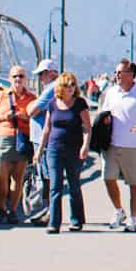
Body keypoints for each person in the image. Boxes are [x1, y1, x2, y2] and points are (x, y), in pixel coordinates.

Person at [98, 59, 136, 231]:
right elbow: (104, 112)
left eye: (120, 72)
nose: (116, 75)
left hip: (134, 145)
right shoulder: (111, 92)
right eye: (116, 72)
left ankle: (132, 218)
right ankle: (118, 210)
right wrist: (105, 120)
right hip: (112, 144)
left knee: (134, 183)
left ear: (131, 75)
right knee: (108, 178)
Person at [38, 71, 92, 233]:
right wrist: (40, 149)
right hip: (54, 149)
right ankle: (54, 223)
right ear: (61, 87)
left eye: (73, 85)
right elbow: (47, 128)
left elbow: (87, 127)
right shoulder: (53, 104)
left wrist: (85, 146)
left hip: (74, 149)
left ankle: (76, 220)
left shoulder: (80, 104)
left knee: (74, 184)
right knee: (55, 186)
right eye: (67, 85)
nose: (70, 88)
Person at [0, 64, 36, 224]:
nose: (18, 79)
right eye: (15, 76)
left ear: (25, 79)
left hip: (22, 139)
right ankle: (1, 208)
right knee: (0, 177)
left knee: (18, 178)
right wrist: (4, 117)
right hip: (4, 138)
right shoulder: (1, 96)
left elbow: (38, 118)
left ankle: (12, 210)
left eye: (21, 76)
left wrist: (25, 117)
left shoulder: (31, 98)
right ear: (10, 79)